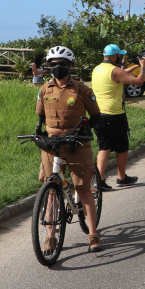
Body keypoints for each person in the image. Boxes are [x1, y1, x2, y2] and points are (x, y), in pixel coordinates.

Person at [35, 46, 103, 252]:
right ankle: (50, 237)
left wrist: (85, 130)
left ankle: (92, 234)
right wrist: (38, 133)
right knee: (51, 191)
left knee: (83, 189)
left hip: (77, 144)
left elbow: (97, 117)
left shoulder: (82, 89)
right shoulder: (44, 89)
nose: (57, 68)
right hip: (52, 144)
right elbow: (40, 117)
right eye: (53, 65)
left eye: (62, 64)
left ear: (70, 66)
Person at [91, 44, 145, 190]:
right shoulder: (115, 71)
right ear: (116, 55)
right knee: (122, 148)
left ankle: (99, 180)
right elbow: (139, 81)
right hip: (113, 115)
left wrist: (133, 67)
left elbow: (119, 74)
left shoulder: (97, 69)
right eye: (120, 55)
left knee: (104, 147)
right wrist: (143, 67)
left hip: (98, 114)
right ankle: (122, 178)